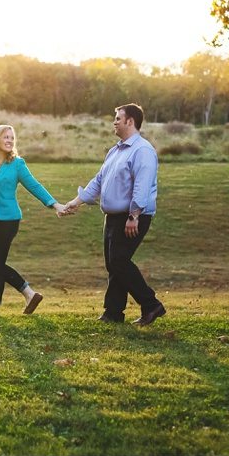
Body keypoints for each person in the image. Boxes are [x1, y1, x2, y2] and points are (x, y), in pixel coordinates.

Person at [63, 103, 166, 326]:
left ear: (130, 121)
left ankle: (151, 305)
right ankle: (113, 312)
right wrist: (76, 202)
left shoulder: (143, 151)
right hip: (113, 217)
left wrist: (134, 216)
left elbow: (142, 185)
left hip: (132, 217)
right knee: (114, 264)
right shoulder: (116, 151)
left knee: (119, 261)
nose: (114, 122)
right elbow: (99, 181)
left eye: (118, 118)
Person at [0, 124, 67, 317]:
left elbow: (34, 185)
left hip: (7, 221)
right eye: (5, 137)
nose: (9, 141)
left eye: (12, 138)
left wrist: (54, 204)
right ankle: (29, 294)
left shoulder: (17, 164)